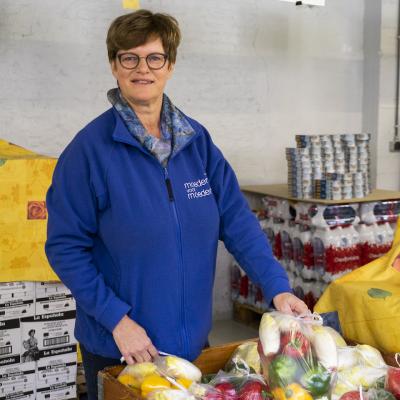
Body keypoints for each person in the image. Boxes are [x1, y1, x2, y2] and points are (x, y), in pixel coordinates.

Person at [45, 9, 308, 399]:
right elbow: (65, 247)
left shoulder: (196, 142)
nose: (142, 69)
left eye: (154, 58)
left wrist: (277, 288)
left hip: (192, 346)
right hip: (124, 348)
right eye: (129, 58)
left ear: (169, 65)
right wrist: (117, 321)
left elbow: (237, 221)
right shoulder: (89, 151)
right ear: (114, 66)